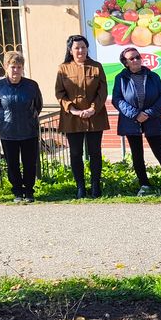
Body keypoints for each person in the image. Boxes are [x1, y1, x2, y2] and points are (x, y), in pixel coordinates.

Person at [112, 47, 161, 196]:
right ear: (126, 63)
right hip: (132, 121)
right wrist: (135, 114)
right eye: (132, 58)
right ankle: (144, 185)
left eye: (138, 57)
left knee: (160, 152)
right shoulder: (121, 78)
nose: (136, 60)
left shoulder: (153, 76)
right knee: (137, 154)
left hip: (152, 119)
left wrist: (148, 113)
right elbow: (117, 99)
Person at [55, 35, 109, 198]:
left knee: (95, 152)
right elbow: (59, 93)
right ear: (70, 51)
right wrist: (73, 110)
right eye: (77, 48)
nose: (80, 51)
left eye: (83, 47)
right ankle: (80, 187)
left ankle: (95, 185)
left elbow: (103, 91)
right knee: (76, 153)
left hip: (95, 115)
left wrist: (93, 108)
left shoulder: (96, 67)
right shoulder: (63, 68)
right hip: (72, 117)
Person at [0, 51, 43, 203]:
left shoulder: (32, 85)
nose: (16, 70)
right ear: (6, 67)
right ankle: (17, 191)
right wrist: (4, 120)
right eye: (13, 66)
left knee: (29, 163)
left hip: (29, 130)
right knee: (12, 164)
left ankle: (29, 191)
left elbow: (38, 105)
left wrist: (29, 118)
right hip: (8, 131)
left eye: (19, 67)